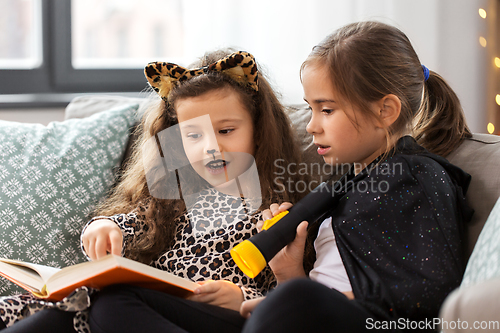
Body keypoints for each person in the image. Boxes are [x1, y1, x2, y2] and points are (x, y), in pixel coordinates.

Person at [0, 50, 308, 333]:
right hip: (148, 312)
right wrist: (104, 227)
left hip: (217, 319)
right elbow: (133, 222)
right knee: (62, 312)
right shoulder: (172, 197)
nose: (211, 148)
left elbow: (294, 301)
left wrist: (240, 295)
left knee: (111, 304)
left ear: (259, 129)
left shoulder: (276, 208)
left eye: (226, 131)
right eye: (193, 135)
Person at [239, 21, 474, 333]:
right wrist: (288, 270)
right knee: (151, 297)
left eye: (326, 110)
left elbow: (430, 297)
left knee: (295, 297)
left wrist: (301, 302)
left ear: (385, 111)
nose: (310, 126)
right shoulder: (348, 184)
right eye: (310, 109)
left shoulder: (416, 176)